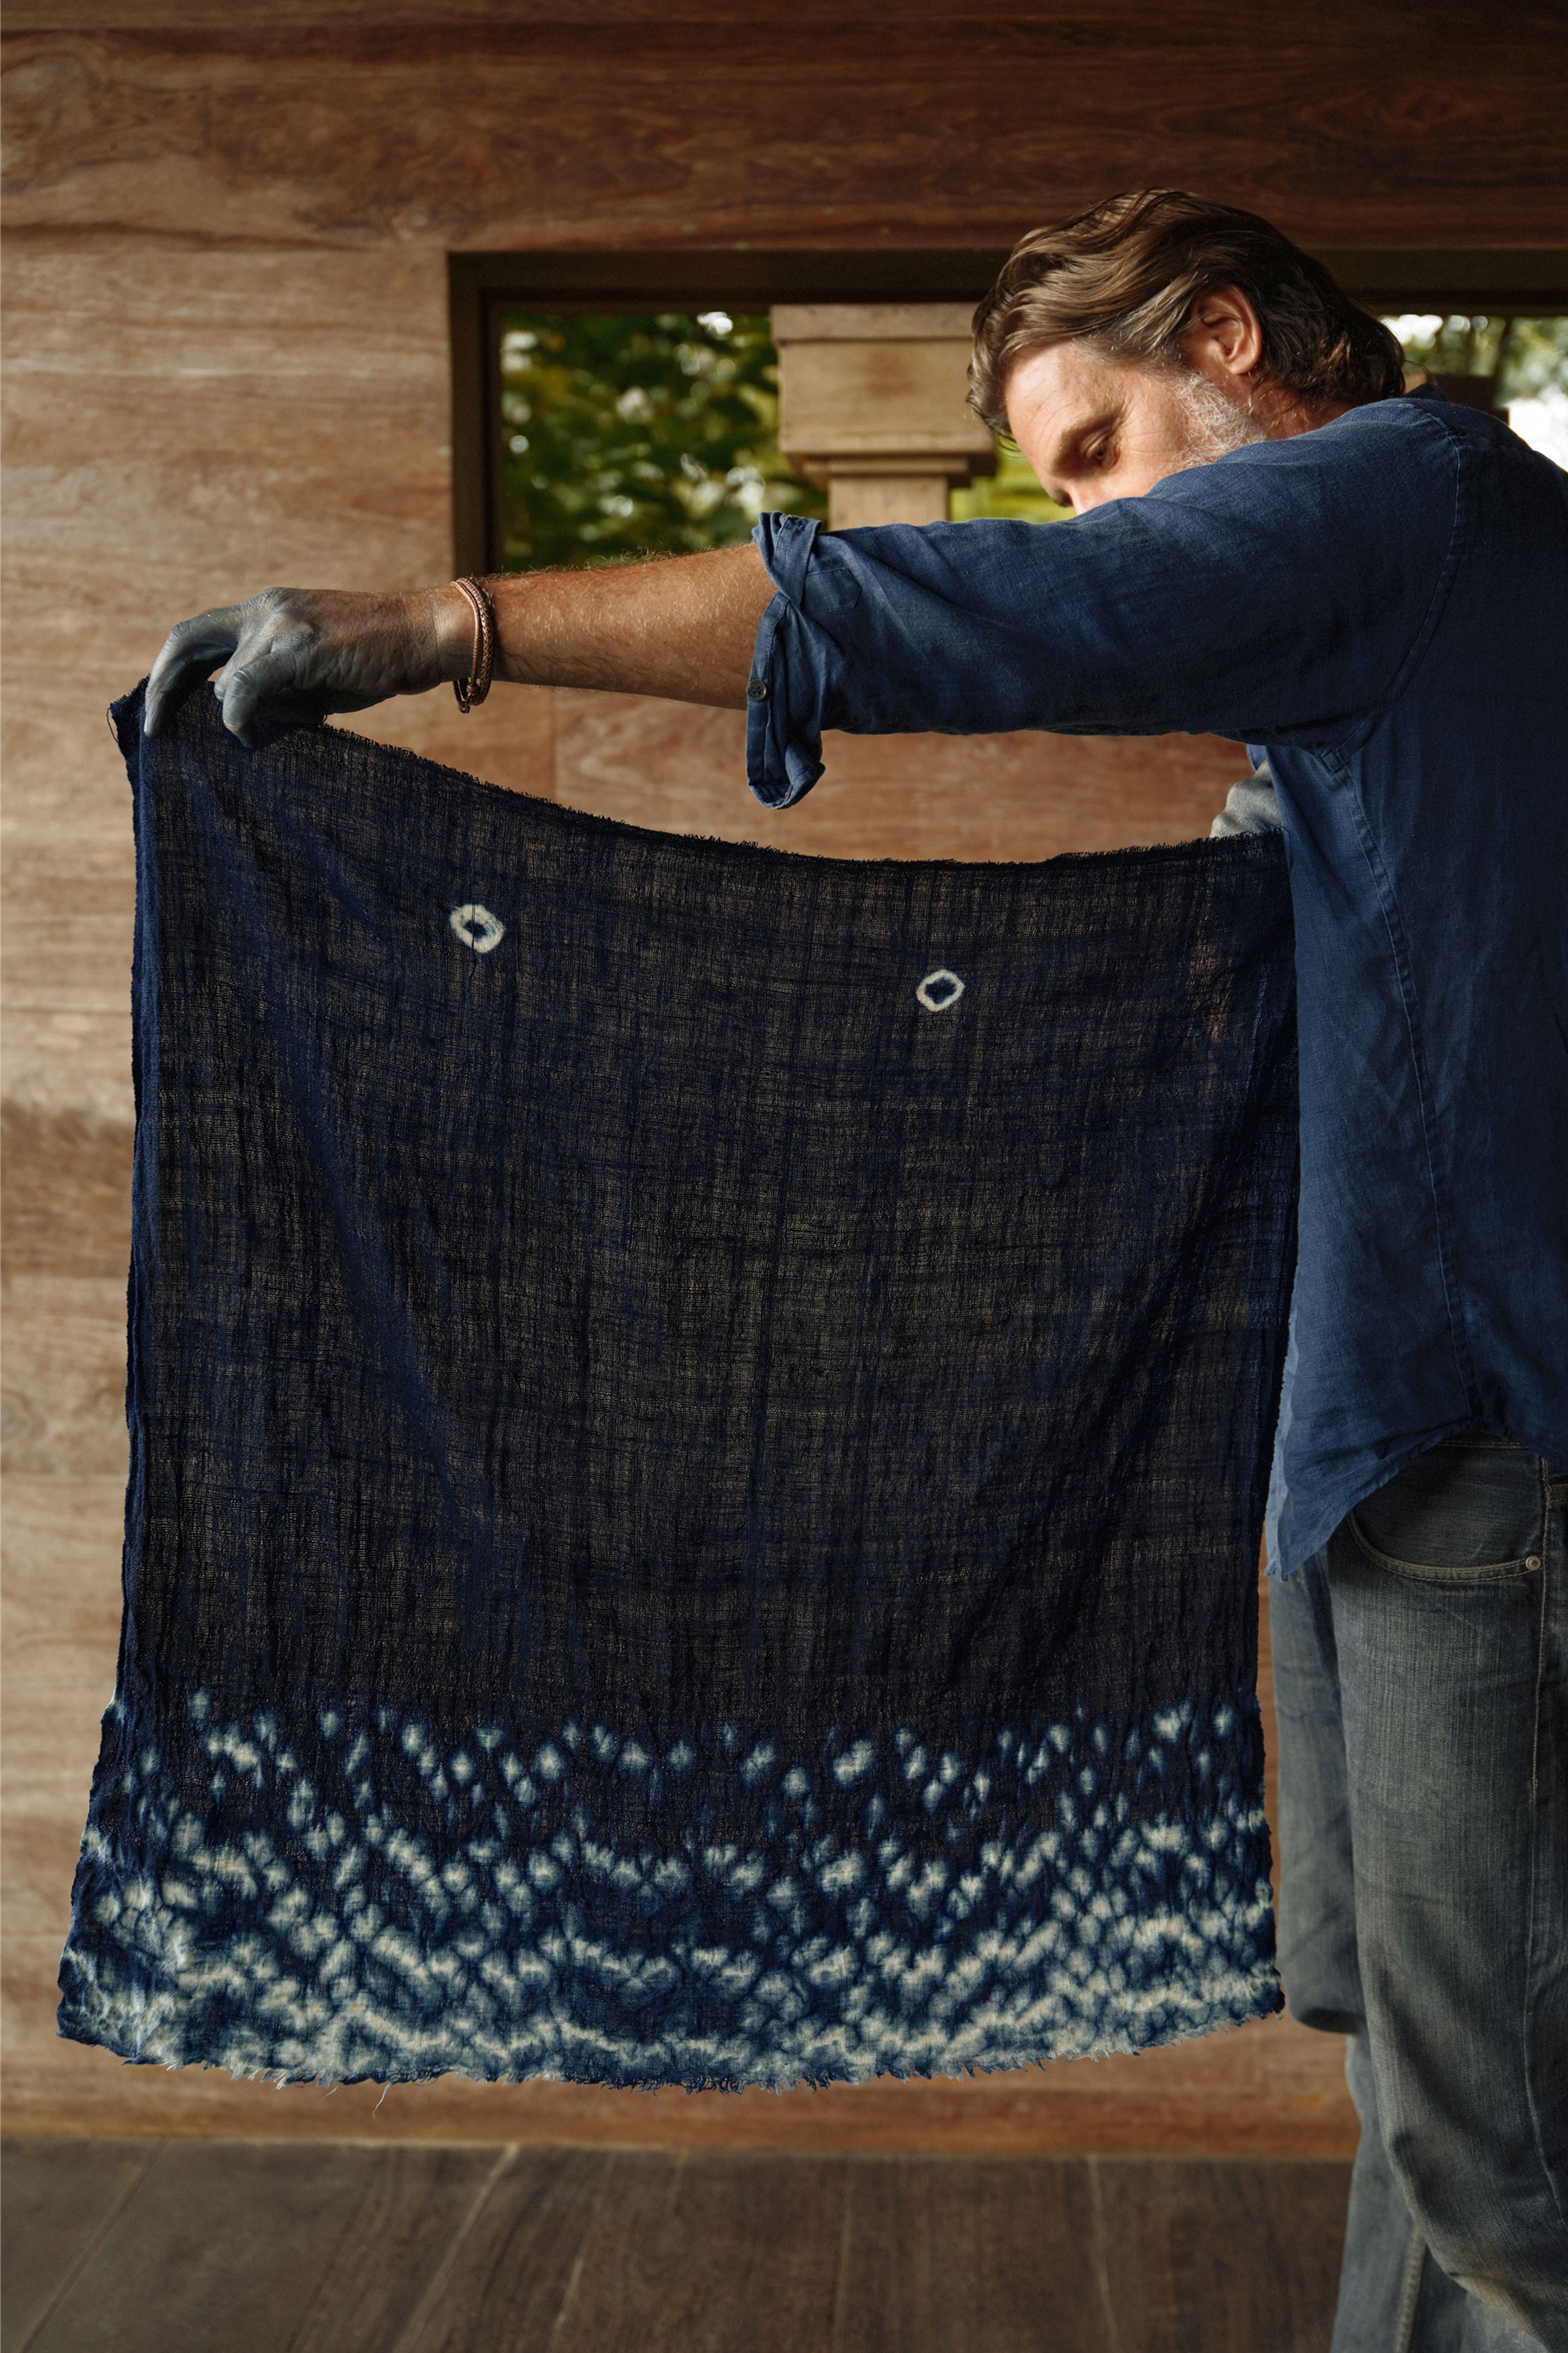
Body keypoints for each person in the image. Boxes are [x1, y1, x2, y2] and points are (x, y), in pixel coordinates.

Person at [145, 191, 1567, 2349]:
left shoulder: (1398, 489)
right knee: (1400, 2066)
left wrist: (447, 623)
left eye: (1092, 449)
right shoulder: (1389, 620)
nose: (1082, 519)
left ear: (1228, 340)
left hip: (1485, 1439)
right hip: (1377, 1437)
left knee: (1502, 2141)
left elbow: (959, 613)